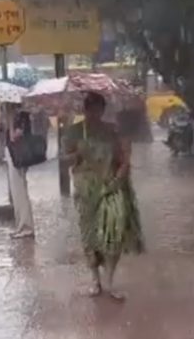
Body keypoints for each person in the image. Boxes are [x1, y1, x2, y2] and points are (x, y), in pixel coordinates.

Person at [63, 92, 144, 300]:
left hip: (110, 187)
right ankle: (95, 280)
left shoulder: (112, 131)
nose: (94, 113)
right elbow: (64, 161)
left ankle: (109, 280)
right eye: (90, 109)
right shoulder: (73, 132)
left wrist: (117, 179)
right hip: (85, 191)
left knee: (114, 231)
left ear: (102, 110)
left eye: (98, 109)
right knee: (90, 235)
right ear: (85, 109)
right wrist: (76, 154)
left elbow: (123, 159)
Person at [4, 103, 36, 239]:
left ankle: (26, 226)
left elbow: (14, 136)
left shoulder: (21, 115)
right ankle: (21, 225)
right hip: (13, 154)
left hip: (18, 155)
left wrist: (10, 121)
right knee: (17, 192)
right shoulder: (16, 115)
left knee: (20, 191)